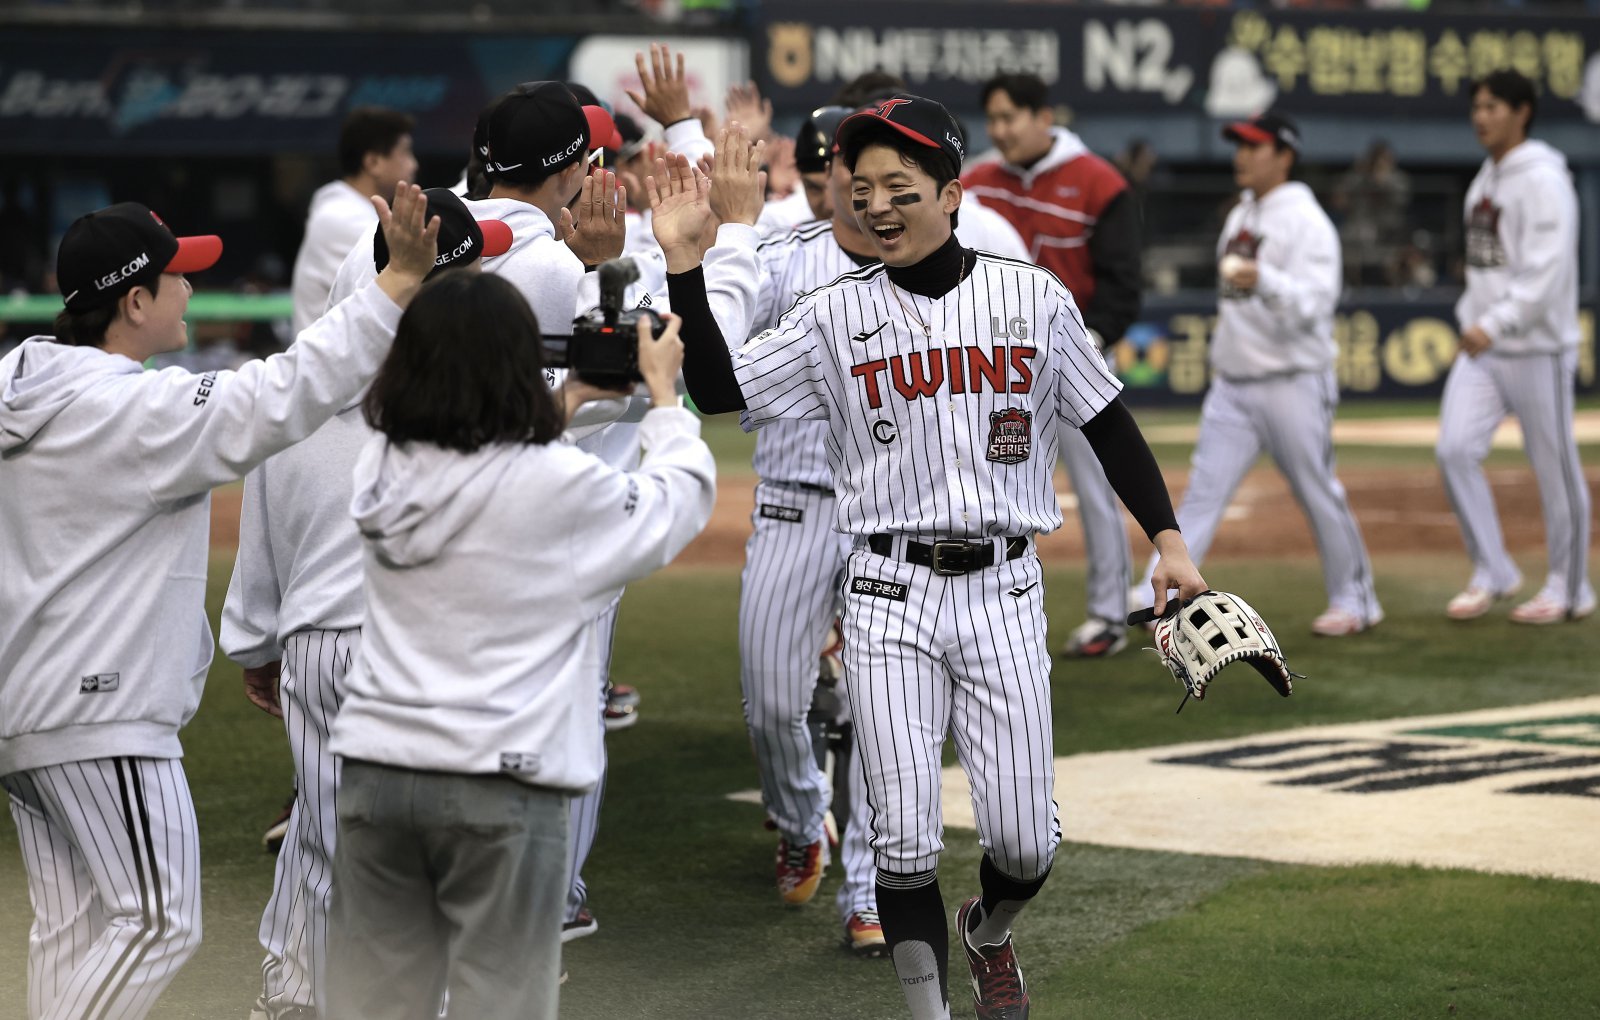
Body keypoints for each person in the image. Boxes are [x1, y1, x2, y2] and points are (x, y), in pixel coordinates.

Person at [657, 94, 1206, 1020]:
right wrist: (684, 263)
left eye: (899, 188)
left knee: (1028, 847)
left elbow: (1108, 420)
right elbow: (715, 389)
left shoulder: (1030, 298)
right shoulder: (833, 315)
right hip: (884, 590)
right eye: (860, 187)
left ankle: (987, 934)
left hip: (1003, 590)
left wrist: (1172, 542)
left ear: (953, 194)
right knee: (903, 843)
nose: (875, 205)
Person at [0, 188, 437, 1020]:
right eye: (176, 278)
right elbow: (284, 393)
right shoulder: (127, 409)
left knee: (74, 929)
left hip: (25, 710)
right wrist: (396, 285)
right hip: (101, 706)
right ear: (134, 301)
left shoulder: (24, 388)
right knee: (157, 923)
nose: (191, 291)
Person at [320, 271, 715, 1020]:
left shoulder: (380, 466)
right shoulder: (558, 484)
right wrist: (663, 400)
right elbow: (674, 502)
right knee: (500, 1002)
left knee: (373, 1005)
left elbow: (480, 463)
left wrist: (568, 404)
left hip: (379, 770)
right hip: (499, 779)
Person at [735, 105, 1027, 958]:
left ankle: (866, 884)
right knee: (772, 700)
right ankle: (800, 818)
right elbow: (714, 351)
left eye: (866, 179)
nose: (852, 194)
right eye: (837, 175)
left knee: (875, 710)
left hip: (888, 520)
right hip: (793, 500)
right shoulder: (779, 257)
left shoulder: (944, 265)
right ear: (821, 179)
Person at [222, 189, 512, 1020]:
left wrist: (256, 642)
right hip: (429, 640)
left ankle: (298, 991)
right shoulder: (471, 381)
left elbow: (267, 513)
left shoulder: (309, 374)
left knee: (324, 837)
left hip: (317, 640)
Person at [1137, 110, 1382, 637]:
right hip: (1234, 382)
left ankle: (1356, 599)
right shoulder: (1243, 213)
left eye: (1254, 146)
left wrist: (1264, 277)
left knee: (1317, 490)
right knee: (1202, 492)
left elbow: (1317, 303)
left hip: (1292, 379)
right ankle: (1152, 595)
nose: (1242, 155)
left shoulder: (1305, 219)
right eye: (1239, 145)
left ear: (1284, 154)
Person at [962, 73, 1142, 658]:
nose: (1000, 131)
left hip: (1074, 352)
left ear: (1046, 117)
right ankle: (979, 610)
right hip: (996, 363)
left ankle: (1109, 615)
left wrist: (1091, 339)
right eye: (993, 119)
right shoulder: (977, 179)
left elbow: (1123, 282)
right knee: (984, 477)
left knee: (1096, 486)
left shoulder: (1098, 181)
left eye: (1011, 117)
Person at [1438, 69, 1593, 624]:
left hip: (1537, 348)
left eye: (1493, 106)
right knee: (1454, 449)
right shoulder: (1486, 177)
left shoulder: (1543, 179)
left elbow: (1547, 271)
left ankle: (1571, 588)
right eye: (1477, 106)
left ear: (1522, 111)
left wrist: (1496, 321)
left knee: (1555, 468)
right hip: (1486, 345)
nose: (1481, 116)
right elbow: (1485, 267)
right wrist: (1474, 318)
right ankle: (1494, 570)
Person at [290, 106, 418, 334]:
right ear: (373, 162)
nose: (413, 165)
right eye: (405, 153)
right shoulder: (342, 218)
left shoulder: (349, 211)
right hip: (329, 366)